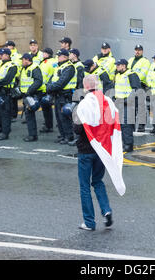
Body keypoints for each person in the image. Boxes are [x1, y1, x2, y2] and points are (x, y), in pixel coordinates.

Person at [73, 74, 113, 231]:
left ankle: (89, 222)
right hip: (101, 149)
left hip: (86, 149)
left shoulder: (82, 105)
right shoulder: (107, 102)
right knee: (98, 181)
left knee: (84, 186)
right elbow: (112, 124)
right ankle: (106, 210)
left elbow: (77, 128)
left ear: (85, 87)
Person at [46, 49, 77, 144]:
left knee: (65, 117)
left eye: (59, 56)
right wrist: (49, 87)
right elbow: (51, 80)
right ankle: (63, 135)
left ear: (65, 57)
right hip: (58, 95)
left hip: (66, 95)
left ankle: (69, 136)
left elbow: (61, 83)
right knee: (59, 117)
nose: (57, 57)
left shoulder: (69, 67)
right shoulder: (59, 67)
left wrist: (50, 88)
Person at [114, 58, 141, 153]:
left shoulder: (131, 75)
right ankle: (124, 143)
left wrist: (127, 100)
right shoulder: (117, 74)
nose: (116, 66)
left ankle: (128, 145)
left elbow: (136, 89)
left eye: (118, 65)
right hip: (119, 103)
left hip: (128, 104)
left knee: (126, 124)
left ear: (124, 66)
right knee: (120, 124)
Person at [19, 53, 43, 142]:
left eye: (23, 60)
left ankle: (32, 135)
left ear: (27, 60)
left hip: (33, 94)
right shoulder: (25, 68)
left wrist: (29, 91)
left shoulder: (34, 68)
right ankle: (32, 134)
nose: (22, 61)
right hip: (28, 94)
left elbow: (38, 81)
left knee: (29, 114)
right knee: (29, 115)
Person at [127, 44, 150, 132]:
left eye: (139, 50)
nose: (137, 51)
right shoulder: (130, 60)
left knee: (140, 106)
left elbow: (143, 74)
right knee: (132, 106)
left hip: (141, 85)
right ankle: (132, 125)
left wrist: (133, 79)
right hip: (131, 86)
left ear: (142, 51)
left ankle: (141, 125)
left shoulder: (145, 61)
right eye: (136, 50)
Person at [38, 48, 56, 133]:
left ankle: (49, 125)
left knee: (47, 108)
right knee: (46, 108)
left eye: (44, 53)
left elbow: (54, 74)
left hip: (47, 88)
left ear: (48, 54)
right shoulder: (44, 61)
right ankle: (48, 125)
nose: (42, 54)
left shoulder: (52, 62)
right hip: (44, 88)